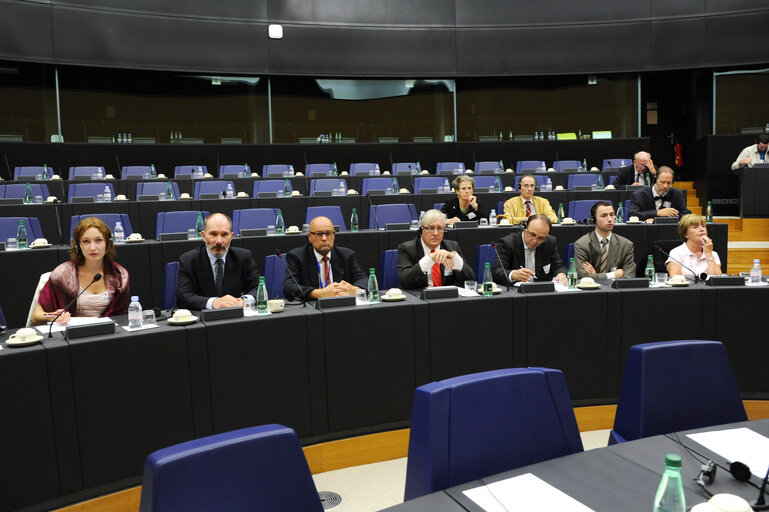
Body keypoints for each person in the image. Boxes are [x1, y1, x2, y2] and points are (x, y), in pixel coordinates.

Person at [31, 217, 130, 325]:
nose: (92, 247)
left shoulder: (120, 276)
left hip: (107, 334)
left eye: (98, 240)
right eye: (86, 241)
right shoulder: (61, 275)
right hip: (72, 336)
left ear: (107, 244)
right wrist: (53, 316)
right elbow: (36, 316)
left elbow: (121, 317)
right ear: (78, 245)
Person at [176, 212, 260, 310]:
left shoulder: (244, 257)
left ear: (231, 237)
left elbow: (258, 288)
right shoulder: (189, 260)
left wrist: (243, 300)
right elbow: (183, 297)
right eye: (213, 234)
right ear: (203, 236)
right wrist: (213, 302)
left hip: (236, 316)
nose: (219, 241)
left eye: (224, 234)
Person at [283, 216, 368, 300]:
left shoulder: (346, 255)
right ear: (310, 237)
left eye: (328, 233)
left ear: (334, 235)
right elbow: (289, 287)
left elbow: (363, 280)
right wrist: (319, 293)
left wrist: (355, 290)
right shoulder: (297, 257)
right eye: (319, 234)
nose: (324, 238)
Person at [397, 209, 475, 289]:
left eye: (440, 228)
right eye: (431, 228)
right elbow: (405, 281)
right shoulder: (407, 249)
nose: (435, 233)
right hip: (420, 298)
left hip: (447, 297)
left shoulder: (451, 247)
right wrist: (429, 259)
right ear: (421, 229)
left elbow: (471, 279)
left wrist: (455, 259)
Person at [492, 214, 567, 285]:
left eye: (541, 238)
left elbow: (558, 266)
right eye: (532, 235)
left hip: (541, 291)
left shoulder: (549, 242)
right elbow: (497, 271)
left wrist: (561, 274)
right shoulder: (508, 243)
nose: (535, 241)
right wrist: (513, 275)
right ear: (525, 227)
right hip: (516, 292)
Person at [573, 201, 636, 279]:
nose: (609, 219)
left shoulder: (626, 245)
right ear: (594, 219)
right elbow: (582, 276)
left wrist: (595, 275)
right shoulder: (582, 244)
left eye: (612, 215)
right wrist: (613, 275)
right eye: (604, 216)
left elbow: (630, 276)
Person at [666, 214, 722, 278]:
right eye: (695, 227)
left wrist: (709, 254)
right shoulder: (676, 253)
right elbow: (675, 279)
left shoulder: (713, 254)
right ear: (685, 234)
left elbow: (717, 279)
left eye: (703, 226)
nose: (701, 229)